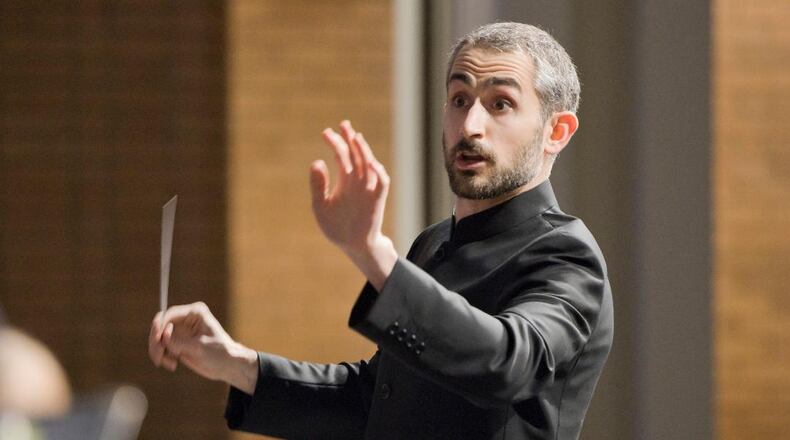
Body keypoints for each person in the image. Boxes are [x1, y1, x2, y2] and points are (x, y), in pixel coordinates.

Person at [148, 22, 613, 440]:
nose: (470, 125)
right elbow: (375, 402)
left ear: (557, 132)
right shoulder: (434, 243)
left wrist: (373, 253)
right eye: (459, 99)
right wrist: (233, 362)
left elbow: (508, 364)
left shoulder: (565, 254)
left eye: (501, 104)